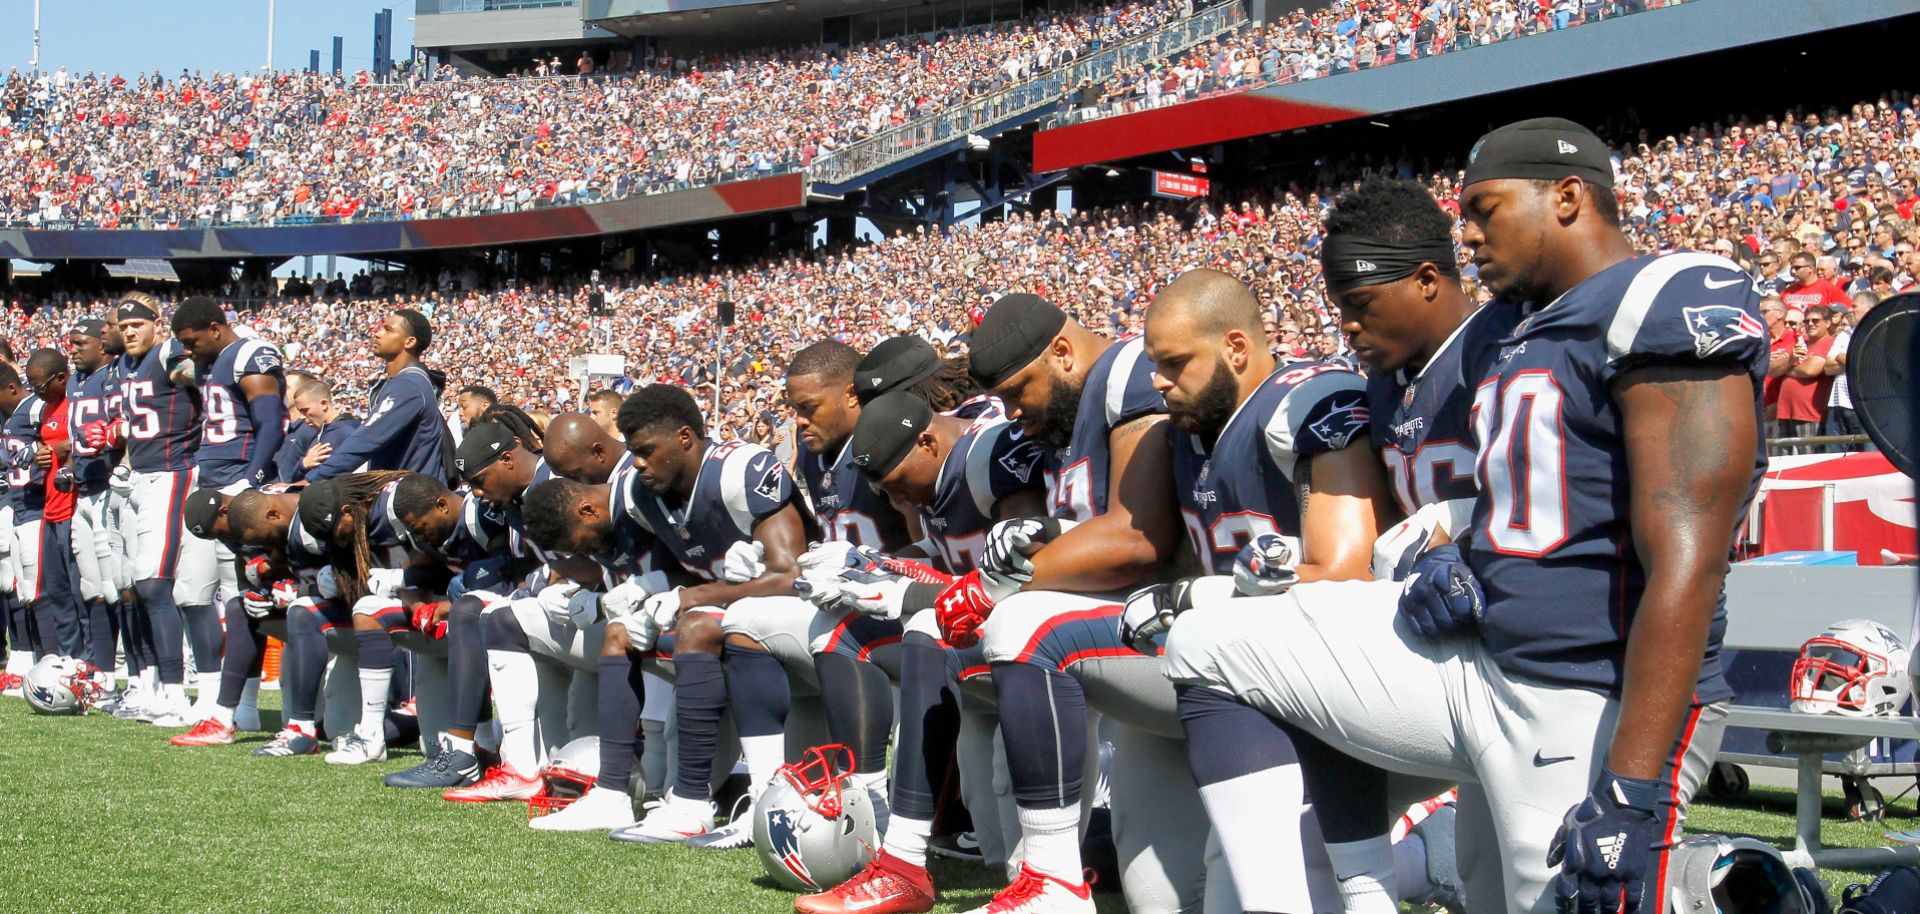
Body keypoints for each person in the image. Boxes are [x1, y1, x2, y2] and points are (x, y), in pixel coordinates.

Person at [1165, 117, 1754, 913]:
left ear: (1569, 197)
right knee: (1211, 642)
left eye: (1484, 209)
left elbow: (1689, 561)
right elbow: (1548, 504)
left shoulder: (1655, 299)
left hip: (1587, 688)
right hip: (1489, 666)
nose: (1465, 235)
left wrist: (1631, 786)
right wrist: (1461, 548)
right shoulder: (1519, 332)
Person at [1164, 178, 1491, 913]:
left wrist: (1455, 524)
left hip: (1506, 635)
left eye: (1360, 305)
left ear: (1429, 281)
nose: (1346, 326)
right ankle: (1384, 882)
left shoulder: (1501, 348)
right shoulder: (1383, 384)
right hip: (1428, 631)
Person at [936, 292, 1187, 914]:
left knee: (1022, 624)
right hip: (1145, 640)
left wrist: (1001, 583)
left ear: (1065, 351)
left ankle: (1051, 880)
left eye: (1021, 391)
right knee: (1162, 897)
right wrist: (1037, 542)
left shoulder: (1127, 369)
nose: (1015, 414)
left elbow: (1137, 537)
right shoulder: (1071, 422)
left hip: (1201, 630)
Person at [793, 389, 1046, 914]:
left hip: (1050, 639)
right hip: (982, 639)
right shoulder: (936, 476)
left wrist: (908, 593)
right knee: (839, 628)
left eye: (896, 485)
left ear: (928, 442)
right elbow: (944, 556)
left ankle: (905, 862)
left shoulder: (989, 459)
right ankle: (874, 820)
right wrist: (867, 564)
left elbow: (1033, 578)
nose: (895, 501)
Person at [549, 384, 814, 842]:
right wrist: (647, 593)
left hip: (796, 611)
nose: (637, 463)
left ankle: (692, 802)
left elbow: (793, 577)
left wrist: (693, 596)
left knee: (694, 625)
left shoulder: (740, 470)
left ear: (686, 438)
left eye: (648, 451)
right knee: (620, 633)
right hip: (726, 606)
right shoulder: (639, 494)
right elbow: (677, 567)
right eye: (632, 451)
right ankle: (612, 791)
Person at [169, 295, 284, 729]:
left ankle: (246, 706)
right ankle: (213, 691)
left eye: (192, 341)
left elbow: (270, 421)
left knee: (244, 597)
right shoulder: (206, 363)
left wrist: (251, 480)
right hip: (209, 480)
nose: (188, 350)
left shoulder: (250, 354)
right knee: (192, 592)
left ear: (215, 330)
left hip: (239, 482)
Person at [104, 296, 206, 726]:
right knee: (140, 585)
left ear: (156, 325)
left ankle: (174, 692)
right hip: (141, 477)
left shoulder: (167, 353)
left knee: (154, 583)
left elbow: (202, 373)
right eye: (123, 325)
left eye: (137, 324)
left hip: (172, 472)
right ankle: (160, 688)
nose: (129, 331)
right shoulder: (126, 367)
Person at [304, 310, 451, 481]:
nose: (377, 333)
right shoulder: (405, 382)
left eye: (388, 329)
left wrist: (312, 478)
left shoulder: (408, 385)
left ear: (409, 342)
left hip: (409, 498)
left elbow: (365, 440)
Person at [64, 318, 126, 699]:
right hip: (82, 487)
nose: (73, 350)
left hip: (109, 485)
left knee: (115, 583)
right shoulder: (75, 381)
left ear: (101, 347)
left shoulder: (113, 377)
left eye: (79, 343)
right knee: (90, 586)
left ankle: (134, 671)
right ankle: (101, 670)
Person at [279, 372, 362, 483]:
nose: (302, 417)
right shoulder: (321, 431)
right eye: (300, 411)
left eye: (305, 410)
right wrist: (303, 464)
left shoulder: (346, 433)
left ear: (323, 404)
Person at [1776, 303, 1836, 448]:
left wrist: (1785, 368)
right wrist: (1789, 363)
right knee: (1784, 463)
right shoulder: (1801, 342)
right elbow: (1772, 368)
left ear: (1828, 323)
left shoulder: (1830, 342)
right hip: (1786, 412)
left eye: (1815, 320)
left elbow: (1810, 370)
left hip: (1810, 414)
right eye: (1806, 321)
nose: (1810, 324)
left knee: (1808, 461)